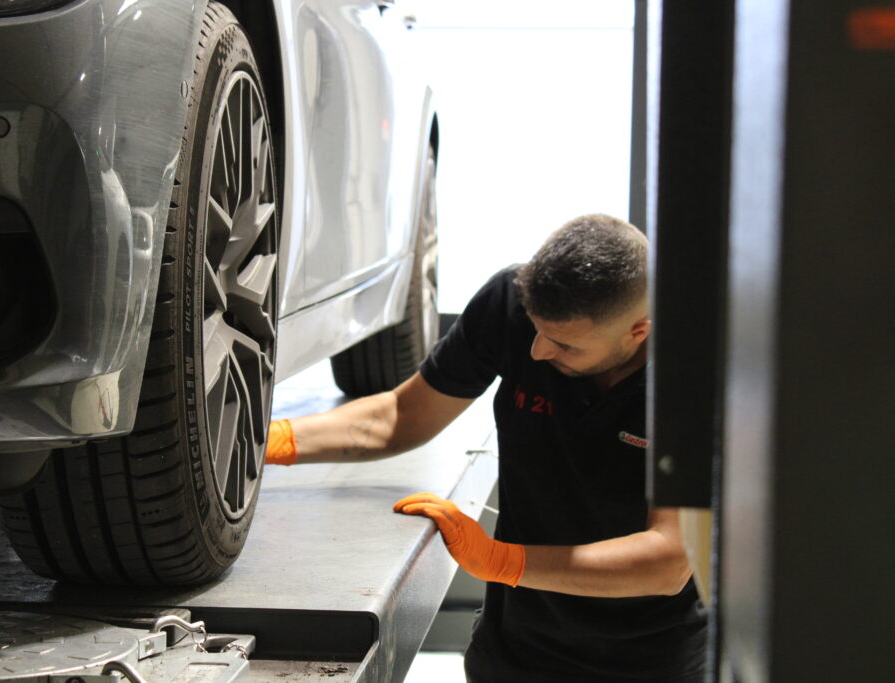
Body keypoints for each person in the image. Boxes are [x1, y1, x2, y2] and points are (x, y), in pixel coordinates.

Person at [266, 214, 707, 682]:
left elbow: (668, 561)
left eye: (563, 345)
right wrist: (270, 441)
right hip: (514, 652)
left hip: (650, 662)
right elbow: (402, 416)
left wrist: (501, 560)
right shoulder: (510, 305)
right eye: (536, 328)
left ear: (638, 332)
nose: (537, 351)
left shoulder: (694, 377)